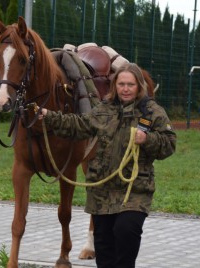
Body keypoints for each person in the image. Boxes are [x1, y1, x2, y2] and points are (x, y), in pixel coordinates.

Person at [37, 63, 176, 268]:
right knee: (103, 248)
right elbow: (78, 125)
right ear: (115, 86)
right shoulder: (103, 109)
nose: (125, 89)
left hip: (134, 190)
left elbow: (169, 144)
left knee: (126, 231)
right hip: (102, 192)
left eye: (130, 84)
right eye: (121, 84)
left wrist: (147, 139)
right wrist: (49, 117)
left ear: (139, 86)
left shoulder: (152, 112)